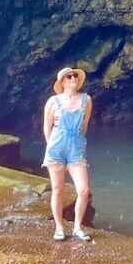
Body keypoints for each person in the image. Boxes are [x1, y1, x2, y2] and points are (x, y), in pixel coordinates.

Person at [42, 66, 93, 242]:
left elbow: (84, 125)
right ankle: (59, 227)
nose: (74, 79)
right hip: (57, 148)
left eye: (75, 76)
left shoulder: (86, 100)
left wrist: (75, 141)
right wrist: (53, 147)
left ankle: (78, 227)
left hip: (76, 148)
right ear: (62, 82)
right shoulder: (53, 102)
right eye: (69, 76)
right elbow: (46, 127)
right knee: (58, 190)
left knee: (84, 190)